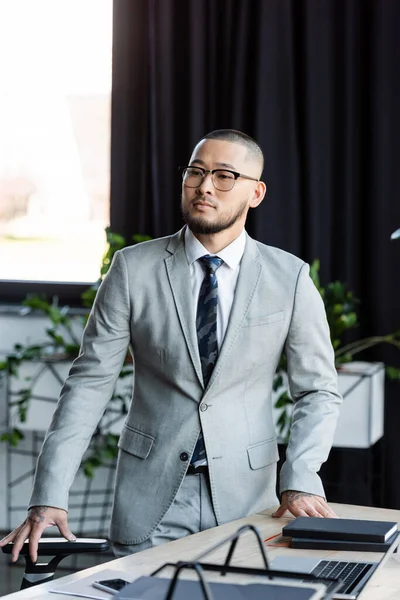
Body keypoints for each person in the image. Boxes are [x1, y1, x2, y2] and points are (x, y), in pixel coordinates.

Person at [0, 129, 342, 562]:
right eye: (195, 172)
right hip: (150, 502)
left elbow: (318, 390)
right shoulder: (132, 269)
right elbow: (88, 384)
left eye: (224, 176)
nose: (204, 186)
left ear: (255, 193)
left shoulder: (289, 277)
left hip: (249, 500)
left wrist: (301, 476)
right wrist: (48, 495)